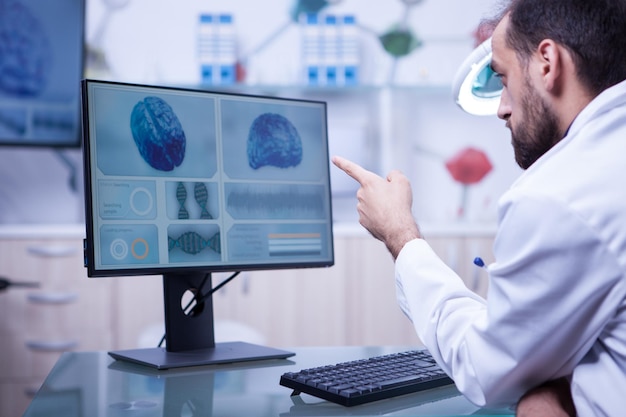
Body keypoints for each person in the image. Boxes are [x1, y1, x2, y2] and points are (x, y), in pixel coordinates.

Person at [332, 0, 626, 415]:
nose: (503, 107)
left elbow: (485, 371)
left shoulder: (560, 196)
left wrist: (400, 234)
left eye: (503, 78)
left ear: (547, 62)